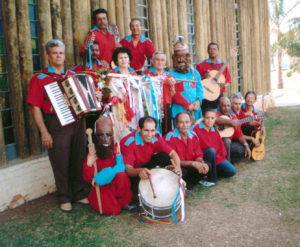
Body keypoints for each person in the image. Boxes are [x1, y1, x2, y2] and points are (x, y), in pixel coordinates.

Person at [27, 40, 89, 212]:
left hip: (78, 121)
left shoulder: (72, 75)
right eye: (54, 53)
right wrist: (44, 132)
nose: (58, 56)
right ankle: (64, 197)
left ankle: (78, 193)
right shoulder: (40, 79)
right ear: (48, 56)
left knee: (79, 157)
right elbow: (35, 107)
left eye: (61, 52)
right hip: (57, 123)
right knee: (60, 160)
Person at [120, 116, 182, 202]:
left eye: (152, 130)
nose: (149, 134)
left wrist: (178, 167)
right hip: (135, 173)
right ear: (139, 129)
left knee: (164, 156)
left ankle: (160, 185)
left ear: (156, 129)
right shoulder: (128, 142)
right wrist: (139, 171)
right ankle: (135, 193)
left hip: (147, 168)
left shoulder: (156, 137)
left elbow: (173, 153)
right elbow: (128, 170)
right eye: (146, 130)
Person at [83, 116, 132, 214]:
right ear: (96, 136)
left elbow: (121, 168)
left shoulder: (116, 148)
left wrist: (99, 177)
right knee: (114, 210)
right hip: (101, 188)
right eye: (101, 135)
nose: (105, 139)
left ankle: (124, 202)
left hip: (112, 183)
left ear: (113, 134)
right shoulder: (93, 152)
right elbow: (88, 178)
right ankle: (114, 203)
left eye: (108, 134)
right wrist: (88, 164)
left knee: (122, 175)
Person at [164, 112, 215, 189]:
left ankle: (190, 182)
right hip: (179, 166)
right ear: (176, 124)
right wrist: (192, 163)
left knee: (208, 165)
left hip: (191, 165)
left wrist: (201, 163)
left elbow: (198, 154)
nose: (185, 125)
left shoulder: (193, 134)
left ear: (191, 123)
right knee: (180, 172)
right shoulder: (170, 137)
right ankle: (187, 183)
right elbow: (172, 161)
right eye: (181, 122)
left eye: (187, 122)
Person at [192, 108, 236, 180]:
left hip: (216, 158)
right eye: (207, 118)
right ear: (203, 117)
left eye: (212, 118)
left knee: (232, 171)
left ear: (215, 118)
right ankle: (212, 177)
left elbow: (220, 147)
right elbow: (193, 147)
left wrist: (223, 160)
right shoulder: (196, 129)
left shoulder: (214, 130)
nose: (210, 120)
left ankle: (214, 170)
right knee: (211, 151)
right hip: (203, 157)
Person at [169, 36, 204, 123]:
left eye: (184, 56)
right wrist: (187, 105)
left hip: (195, 111)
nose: (181, 59)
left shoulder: (194, 72)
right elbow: (174, 94)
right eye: (178, 57)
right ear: (174, 58)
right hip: (179, 111)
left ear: (188, 57)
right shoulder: (170, 74)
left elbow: (200, 89)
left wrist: (198, 101)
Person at [143, 50, 175, 135]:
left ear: (165, 62)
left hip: (165, 106)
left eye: (162, 60)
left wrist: (172, 87)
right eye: (157, 60)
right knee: (152, 128)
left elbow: (172, 95)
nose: (160, 62)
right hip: (151, 106)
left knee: (166, 130)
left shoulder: (168, 75)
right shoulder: (147, 73)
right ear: (153, 61)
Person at [196, 42, 232, 111]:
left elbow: (228, 81)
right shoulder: (201, 65)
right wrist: (203, 77)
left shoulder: (222, 64)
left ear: (218, 51)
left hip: (219, 94)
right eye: (210, 49)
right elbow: (195, 81)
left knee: (220, 114)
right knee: (207, 115)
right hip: (206, 94)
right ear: (207, 51)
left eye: (214, 49)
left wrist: (224, 85)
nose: (212, 51)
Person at [215, 96, 251, 163]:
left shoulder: (233, 116)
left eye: (228, 106)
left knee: (241, 149)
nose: (226, 108)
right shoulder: (215, 112)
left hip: (227, 145)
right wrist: (230, 122)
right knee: (227, 141)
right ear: (218, 106)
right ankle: (226, 163)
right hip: (215, 142)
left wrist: (246, 146)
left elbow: (239, 134)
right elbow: (215, 119)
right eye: (224, 106)